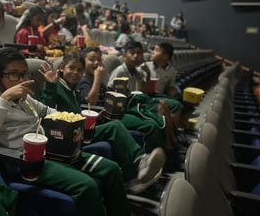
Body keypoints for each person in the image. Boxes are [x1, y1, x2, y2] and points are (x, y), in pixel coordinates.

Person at [0, 47, 145, 216]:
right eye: (13, 74)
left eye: (24, 74)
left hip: (54, 151)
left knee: (111, 169)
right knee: (86, 186)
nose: (21, 80)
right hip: (26, 162)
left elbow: (51, 112)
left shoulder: (27, 101)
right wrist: (5, 99)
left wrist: (74, 121)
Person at [39, 51, 166, 193]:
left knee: (116, 125)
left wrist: (95, 116)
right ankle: (140, 163)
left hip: (79, 129)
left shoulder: (72, 90)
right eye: (71, 68)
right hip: (66, 137)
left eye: (79, 70)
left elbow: (78, 109)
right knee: (115, 126)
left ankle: (135, 174)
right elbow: (46, 111)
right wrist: (50, 85)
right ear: (61, 68)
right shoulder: (56, 86)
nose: (75, 72)